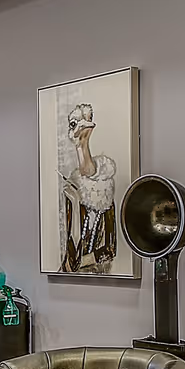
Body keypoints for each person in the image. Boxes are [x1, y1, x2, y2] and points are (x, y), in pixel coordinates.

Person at [60, 103, 118, 274]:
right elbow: (70, 243)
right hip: (73, 275)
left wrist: (84, 261)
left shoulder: (106, 202)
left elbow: (109, 248)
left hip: (98, 274)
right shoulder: (73, 196)